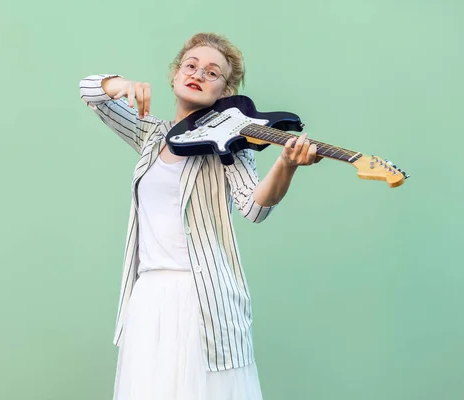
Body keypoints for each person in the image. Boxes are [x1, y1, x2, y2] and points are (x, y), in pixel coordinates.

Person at [79, 32, 319, 400]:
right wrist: (121, 84)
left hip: (201, 299)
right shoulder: (151, 134)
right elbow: (90, 92)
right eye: (191, 66)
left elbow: (254, 208)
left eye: (212, 73)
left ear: (225, 93)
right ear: (175, 74)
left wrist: (287, 164)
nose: (198, 75)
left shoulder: (231, 148)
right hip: (148, 299)